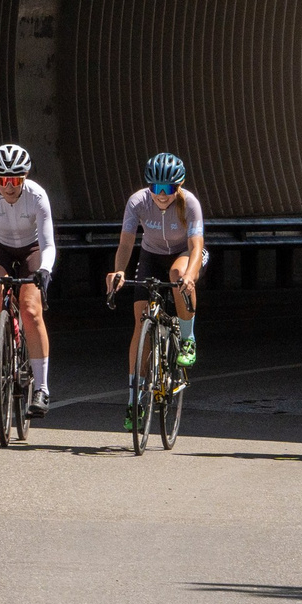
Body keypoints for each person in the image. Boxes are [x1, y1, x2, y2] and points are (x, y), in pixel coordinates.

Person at [104, 151, 204, 431]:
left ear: (179, 186)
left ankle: (187, 339)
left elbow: (197, 247)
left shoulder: (190, 204)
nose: (162, 194)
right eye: (156, 188)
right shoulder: (137, 202)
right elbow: (126, 244)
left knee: (177, 275)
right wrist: (120, 270)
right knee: (140, 322)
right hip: (150, 255)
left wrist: (190, 276)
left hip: (184, 254)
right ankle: (135, 398)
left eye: (169, 189)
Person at [0, 143, 58, 415]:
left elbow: (49, 243)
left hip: (32, 248)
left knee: (30, 309)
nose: (9, 185)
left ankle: (41, 388)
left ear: (24, 177)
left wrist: (45, 270)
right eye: (3, 179)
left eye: (16, 179)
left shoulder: (37, 196)